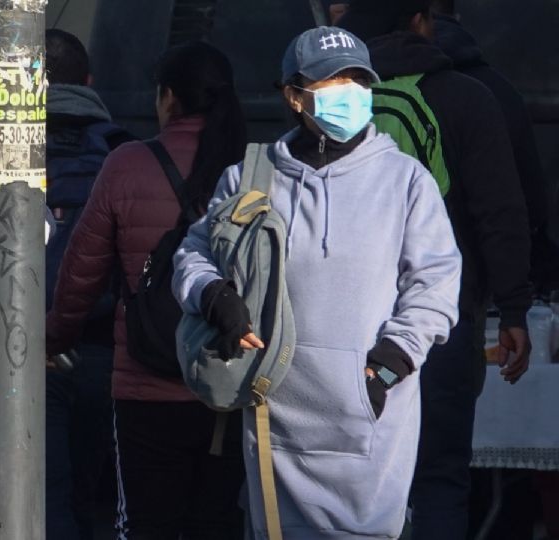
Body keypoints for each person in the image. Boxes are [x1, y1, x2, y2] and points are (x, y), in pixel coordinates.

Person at [174, 26, 461, 539]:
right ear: (294, 95)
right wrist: (213, 295)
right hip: (273, 417)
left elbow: (435, 285)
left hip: (372, 422)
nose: (349, 91)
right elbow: (192, 253)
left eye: (358, 79)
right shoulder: (249, 177)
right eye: (333, 80)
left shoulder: (406, 180)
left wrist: (387, 366)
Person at [339, 3, 533, 538]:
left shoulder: (332, 102)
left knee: (350, 482)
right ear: (422, 22)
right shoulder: (468, 98)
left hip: (346, 323)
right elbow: (501, 211)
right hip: (442, 322)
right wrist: (514, 306)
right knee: (439, 481)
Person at [46, 40, 247, 538]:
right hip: (229, 379)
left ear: (169, 99)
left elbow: (80, 275)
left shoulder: (128, 163)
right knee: (218, 522)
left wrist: (55, 339)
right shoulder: (254, 168)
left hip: (145, 382)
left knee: (145, 523)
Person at [43, 28, 134, 540]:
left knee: (42, 489)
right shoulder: (123, 151)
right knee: (97, 494)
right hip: (105, 346)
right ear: (90, 81)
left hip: (25, 346)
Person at [431, 0, 558, 292]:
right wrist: (511, 300)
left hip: (394, 286)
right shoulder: (496, 90)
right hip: (478, 280)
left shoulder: (376, 91)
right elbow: (527, 204)